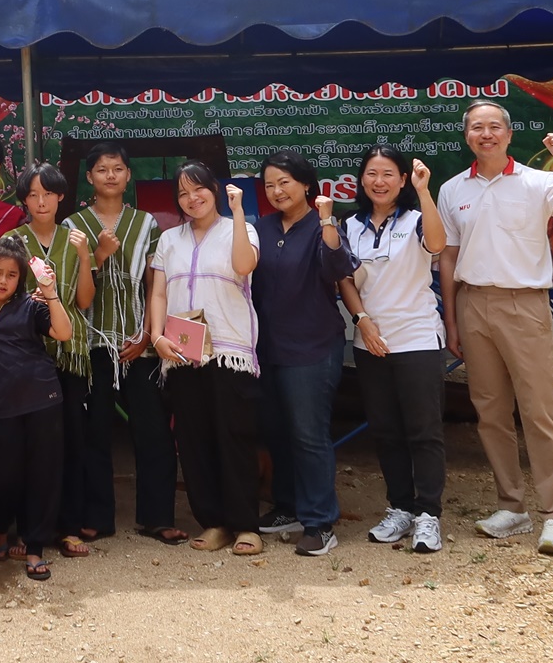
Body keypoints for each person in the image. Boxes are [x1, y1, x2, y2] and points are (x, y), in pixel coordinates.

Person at [439, 100, 553, 557]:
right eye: (476, 127)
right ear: (467, 136)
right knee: (489, 412)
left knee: (540, 411)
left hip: (524, 304)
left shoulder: (542, 181)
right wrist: (452, 318)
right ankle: (512, 506)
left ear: (509, 135)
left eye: (494, 127)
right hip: (473, 304)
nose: (485, 134)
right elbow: (448, 257)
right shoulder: (453, 190)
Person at [250, 151, 363, 558]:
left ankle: (319, 521)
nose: (277, 191)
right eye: (269, 185)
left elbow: (338, 268)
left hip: (313, 346)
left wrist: (328, 221)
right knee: (276, 431)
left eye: (284, 182)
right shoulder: (259, 228)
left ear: (305, 185)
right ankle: (288, 506)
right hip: (267, 348)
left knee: (309, 433)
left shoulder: (324, 225)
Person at [148, 162, 264, 556]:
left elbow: (245, 266)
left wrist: (235, 212)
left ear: (214, 190)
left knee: (235, 437)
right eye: (182, 193)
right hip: (182, 351)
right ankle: (214, 522)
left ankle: (246, 525)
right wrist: (156, 335)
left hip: (230, 348)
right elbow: (159, 293)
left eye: (198, 189)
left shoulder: (241, 229)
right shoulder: (169, 240)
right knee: (193, 440)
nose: (191, 198)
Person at [68, 142, 180, 542]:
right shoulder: (74, 226)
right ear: (90, 177)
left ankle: (158, 517)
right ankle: (98, 518)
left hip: (139, 343)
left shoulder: (146, 223)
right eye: (101, 169)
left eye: (117, 168)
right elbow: (71, 289)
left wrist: (149, 334)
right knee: (94, 431)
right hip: (93, 344)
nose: (110, 175)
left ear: (128, 175)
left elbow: (155, 283)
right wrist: (96, 255)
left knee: (152, 431)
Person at [345, 144, 449, 554]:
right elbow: (345, 282)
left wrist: (425, 191)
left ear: (403, 179)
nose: (379, 181)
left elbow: (438, 245)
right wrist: (363, 323)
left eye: (389, 173)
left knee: (424, 431)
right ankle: (400, 507)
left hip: (418, 337)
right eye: (372, 173)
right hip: (369, 342)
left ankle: (428, 514)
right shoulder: (349, 225)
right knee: (386, 431)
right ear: (362, 179)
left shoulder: (418, 218)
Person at [10, 164, 106, 559]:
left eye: (47, 193)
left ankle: (68, 526)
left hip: (70, 353)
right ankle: (26, 528)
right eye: (32, 195)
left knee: (70, 440)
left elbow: (84, 301)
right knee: (27, 446)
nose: (41, 201)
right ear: (24, 201)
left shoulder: (75, 239)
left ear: (61, 195)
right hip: (26, 353)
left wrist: (86, 257)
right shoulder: (12, 240)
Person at [0, 234, 74, 581]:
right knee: (4, 476)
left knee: (43, 475)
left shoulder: (31, 306)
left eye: (11, 275)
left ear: (21, 278)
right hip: (0, 408)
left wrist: (50, 292)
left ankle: (35, 547)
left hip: (42, 400)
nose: (3, 280)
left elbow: (63, 332)